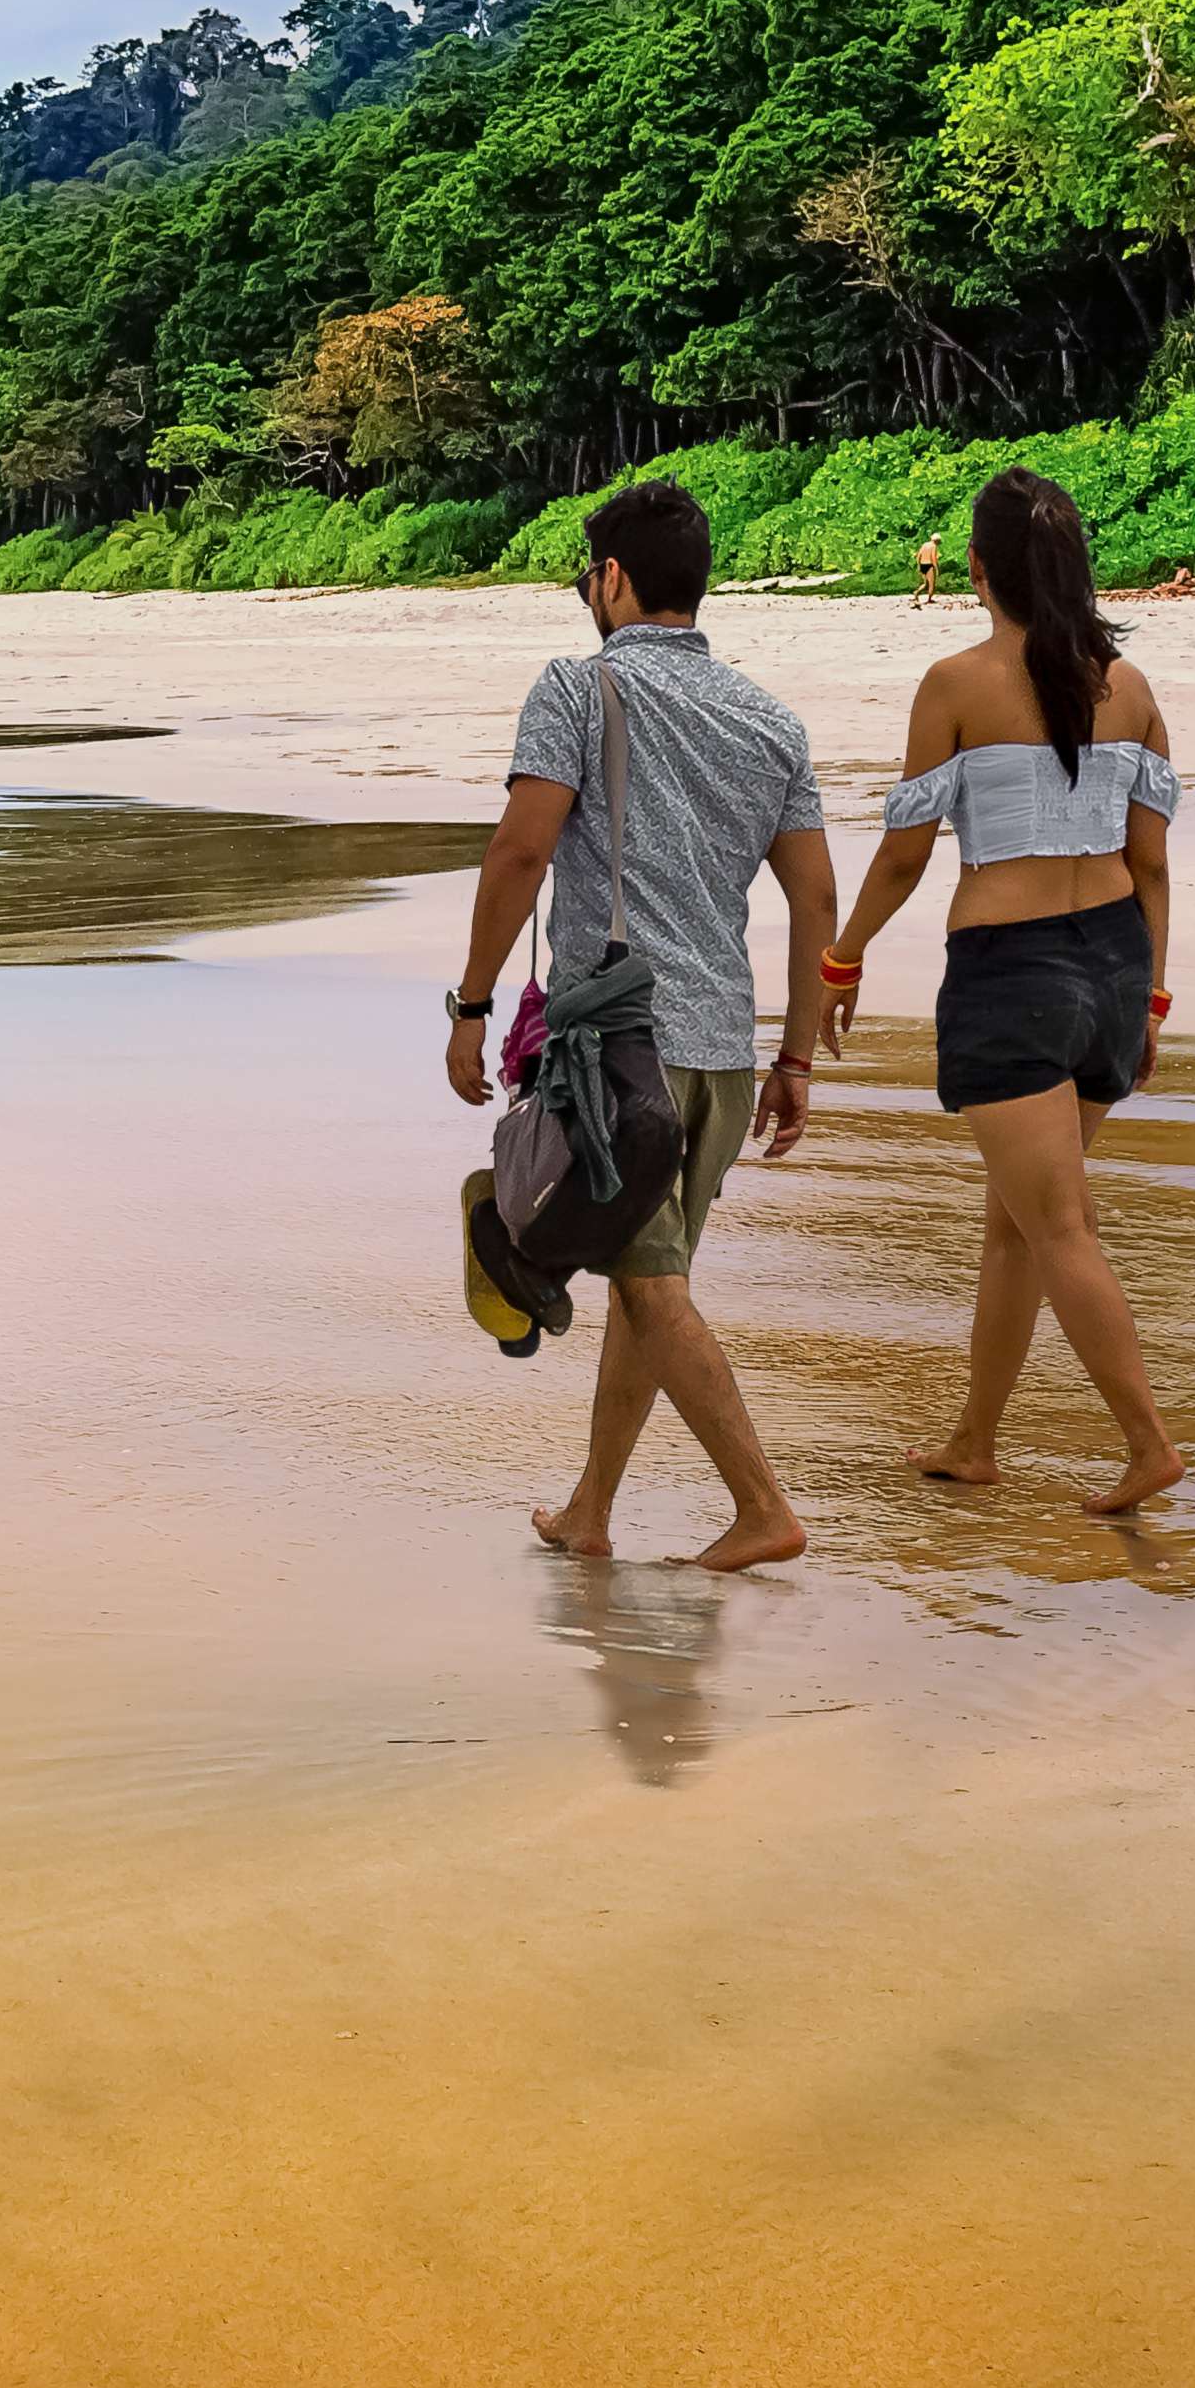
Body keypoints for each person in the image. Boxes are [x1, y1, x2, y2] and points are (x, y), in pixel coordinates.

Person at [446, 479, 840, 1570]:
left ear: (613, 579)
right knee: (642, 1286)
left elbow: (521, 852)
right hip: (719, 1049)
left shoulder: (574, 691)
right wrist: (797, 1053)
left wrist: (473, 1005)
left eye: (590, 574)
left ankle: (765, 1509)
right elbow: (815, 901)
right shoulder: (772, 722)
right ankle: (591, 1510)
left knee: (652, 1286)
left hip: (621, 1054)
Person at [830, 466, 1185, 1512]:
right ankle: (973, 1442)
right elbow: (1153, 863)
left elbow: (904, 857)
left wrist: (841, 956)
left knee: (1058, 1222)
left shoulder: (957, 683)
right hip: (1117, 959)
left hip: (1012, 973)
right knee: (1019, 1223)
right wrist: (1154, 998)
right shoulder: (1131, 687)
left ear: (977, 568)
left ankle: (1148, 1444)